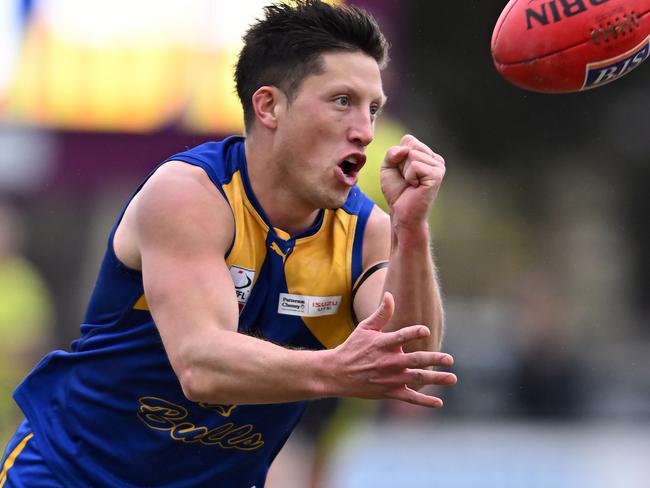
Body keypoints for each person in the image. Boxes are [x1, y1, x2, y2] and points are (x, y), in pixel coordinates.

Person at [0, 1, 456, 486]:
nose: (365, 131)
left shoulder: (370, 232)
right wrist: (337, 369)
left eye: (374, 108)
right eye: (342, 101)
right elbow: (201, 367)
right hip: (69, 475)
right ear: (269, 106)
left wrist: (412, 230)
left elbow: (414, 368)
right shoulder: (189, 194)